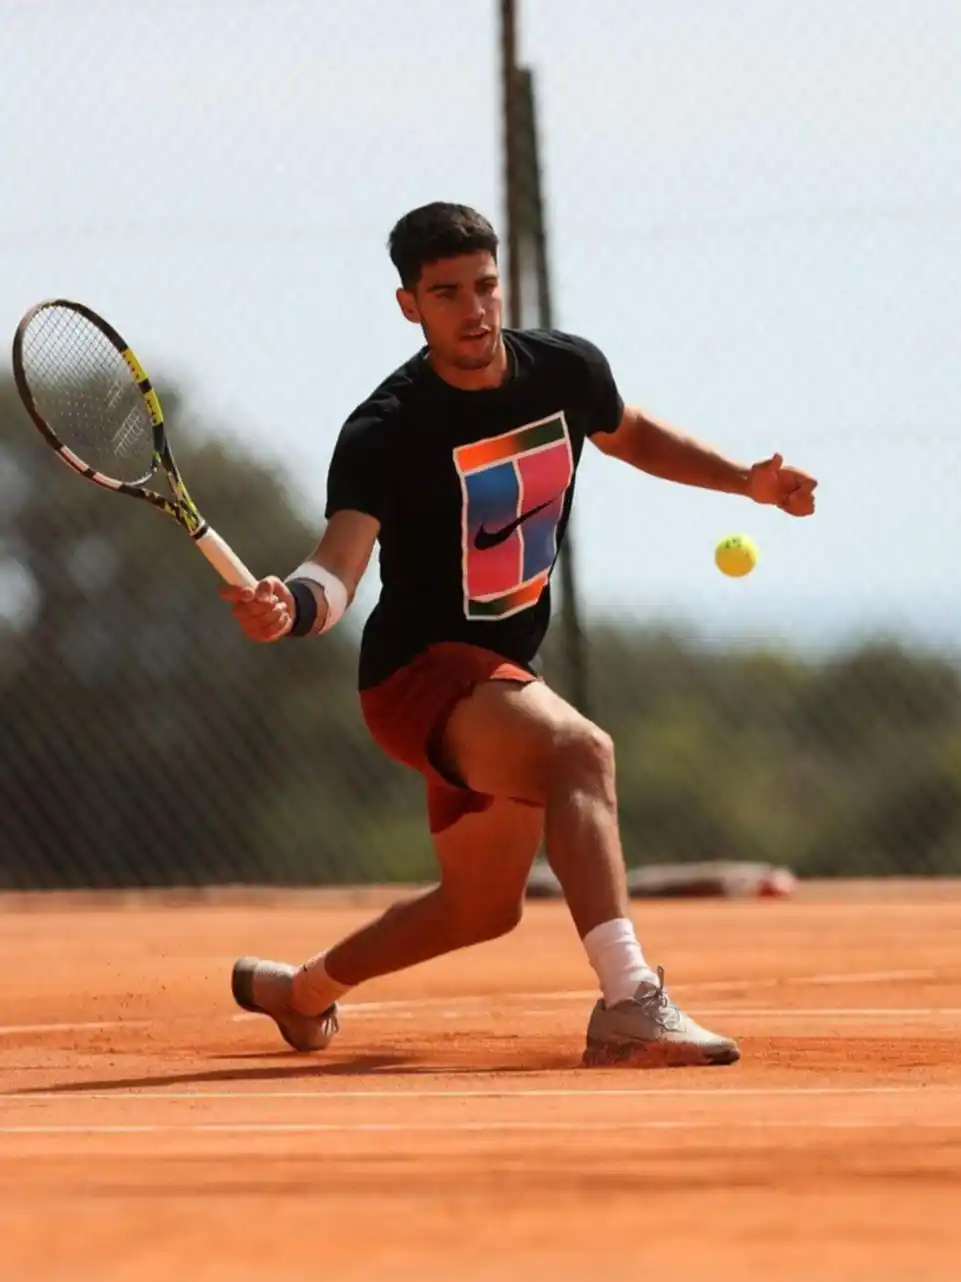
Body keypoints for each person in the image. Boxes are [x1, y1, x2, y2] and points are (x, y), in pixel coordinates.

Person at [222, 202, 817, 1068]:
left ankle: (299, 992)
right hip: (416, 677)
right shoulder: (384, 429)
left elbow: (631, 433)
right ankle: (629, 1002)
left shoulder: (564, 371)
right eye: (447, 292)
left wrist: (745, 483)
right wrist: (294, 604)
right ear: (409, 306)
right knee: (581, 752)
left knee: (480, 909)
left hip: (500, 670)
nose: (473, 309)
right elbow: (337, 566)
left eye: (485, 286)